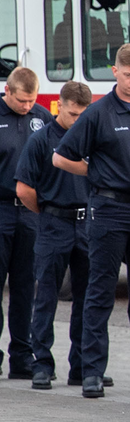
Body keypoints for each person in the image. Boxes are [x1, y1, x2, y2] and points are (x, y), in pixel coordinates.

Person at [53, 44, 130, 398]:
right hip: (109, 210)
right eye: (127, 75)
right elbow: (62, 158)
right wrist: (96, 173)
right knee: (100, 292)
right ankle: (92, 372)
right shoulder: (98, 113)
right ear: (115, 71)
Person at [15, 81, 94, 390]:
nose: (78, 120)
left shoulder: (91, 139)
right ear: (60, 105)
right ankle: (42, 364)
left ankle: (82, 365)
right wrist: (47, 214)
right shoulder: (41, 140)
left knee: (88, 299)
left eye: (83, 115)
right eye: (73, 113)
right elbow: (24, 189)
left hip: (86, 224)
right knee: (46, 296)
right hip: (53, 222)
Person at [0, 67, 51, 379]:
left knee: (24, 288)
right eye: (21, 100)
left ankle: (22, 357)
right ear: (7, 91)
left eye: (32, 100)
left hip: (30, 212)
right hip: (1, 208)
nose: (27, 106)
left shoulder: (42, 118)